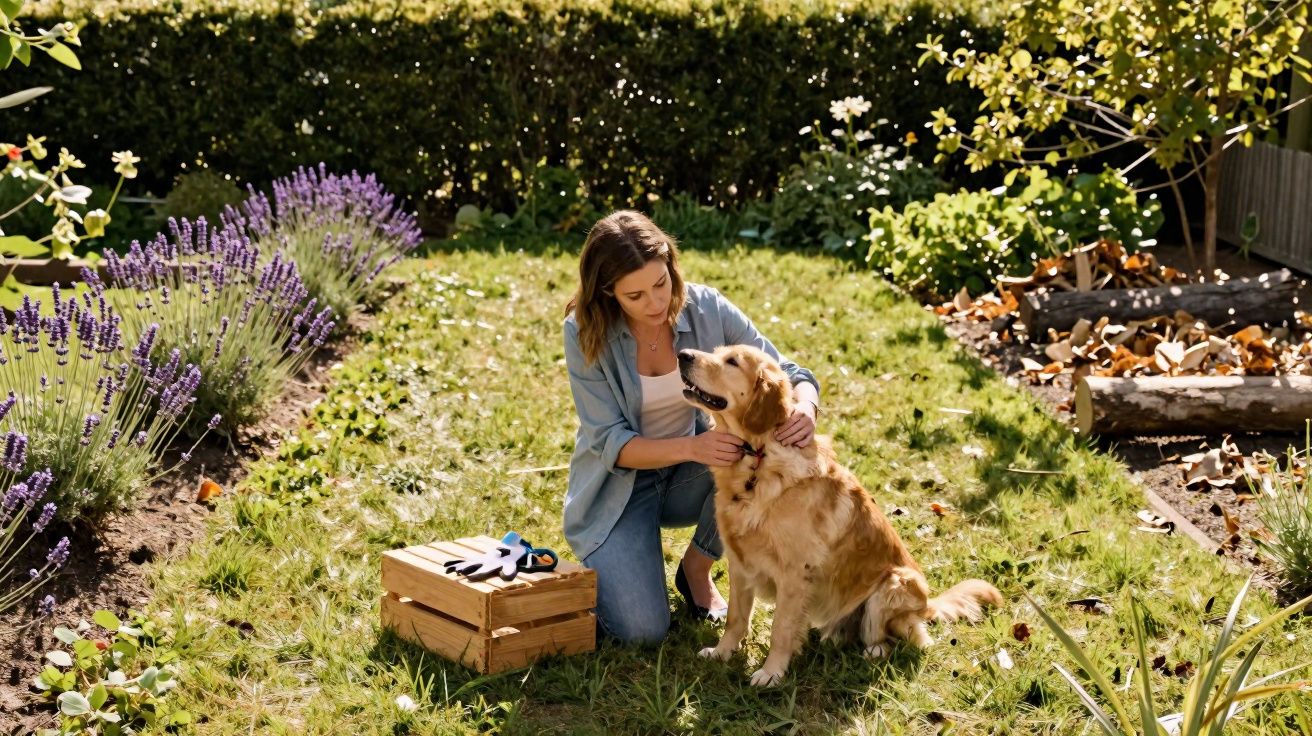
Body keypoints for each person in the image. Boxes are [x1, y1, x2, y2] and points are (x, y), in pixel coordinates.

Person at [562, 210, 821, 645]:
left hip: (699, 472)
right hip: (620, 485)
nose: (655, 303)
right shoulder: (584, 332)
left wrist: (807, 406)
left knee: (755, 453)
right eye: (635, 295)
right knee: (642, 631)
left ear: (670, 265)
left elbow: (786, 369)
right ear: (608, 293)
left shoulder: (706, 306)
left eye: (660, 283)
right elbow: (608, 440)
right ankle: (608, 567)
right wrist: (693, 448)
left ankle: (697, 568)